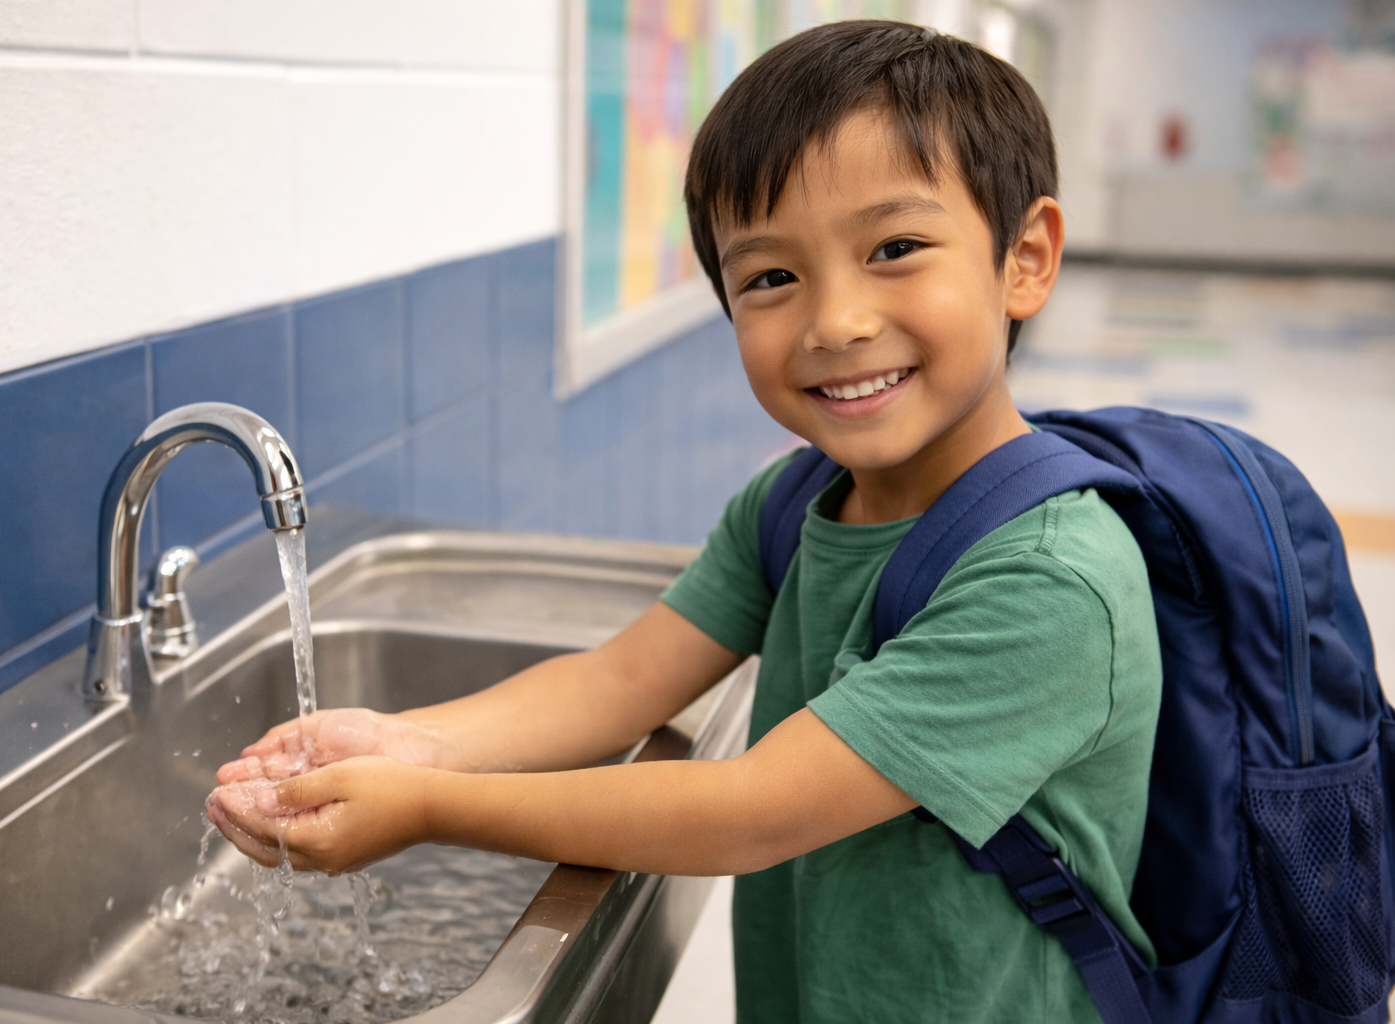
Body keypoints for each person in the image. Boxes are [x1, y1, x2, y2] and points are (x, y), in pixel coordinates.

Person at [207, 20, 1162, 1023]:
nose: (835, 321)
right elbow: (620, 682)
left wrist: (430, 810)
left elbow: (751, 811)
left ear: (1026, 258)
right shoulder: (797, 503)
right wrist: (409, 744)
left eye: (894, 248)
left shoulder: (1051, 578)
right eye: (771, 278)